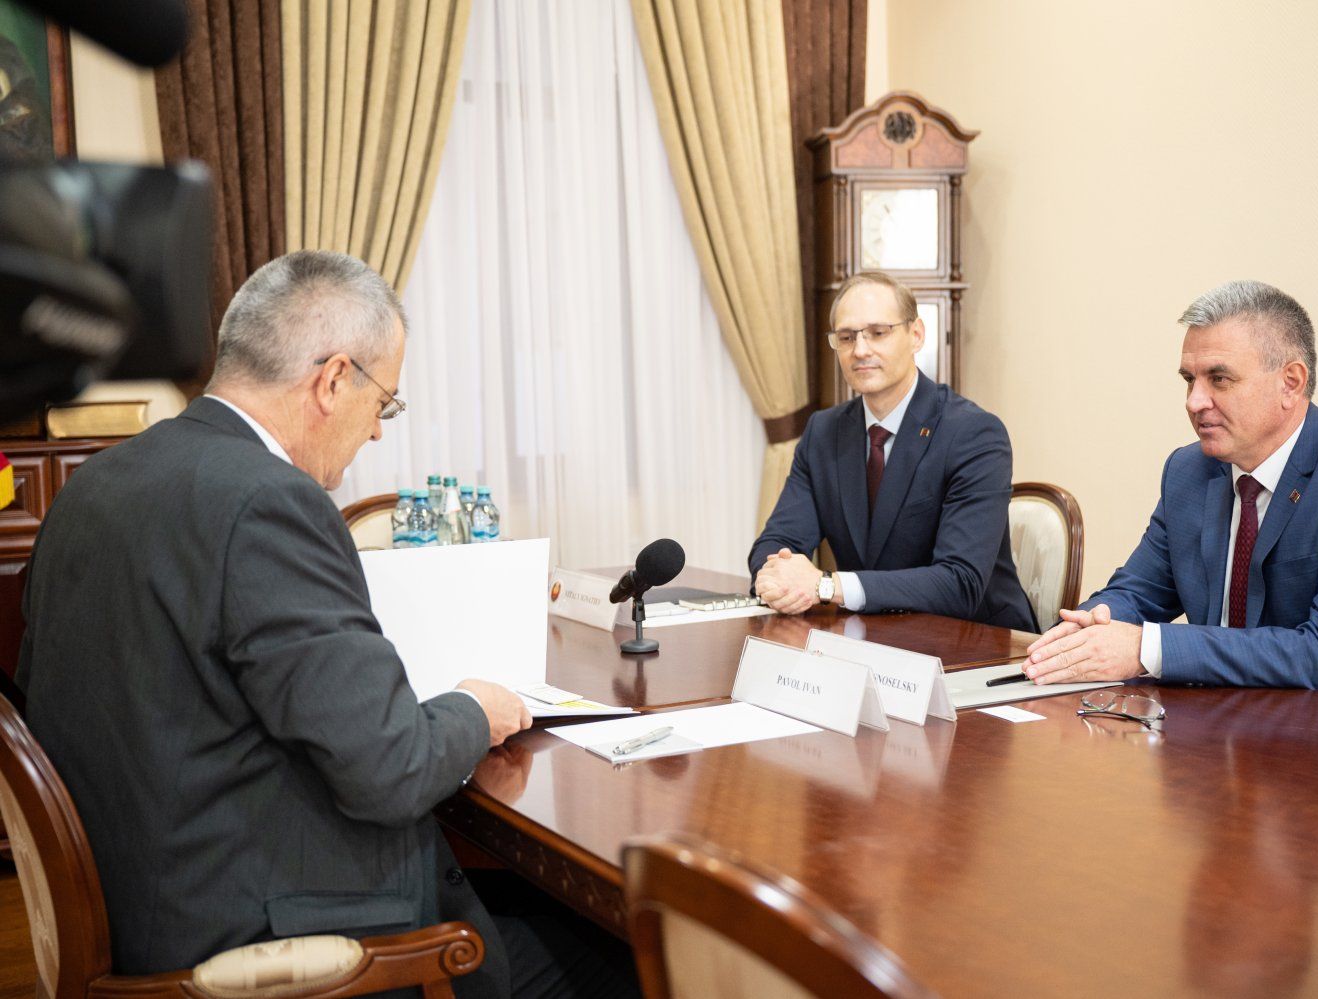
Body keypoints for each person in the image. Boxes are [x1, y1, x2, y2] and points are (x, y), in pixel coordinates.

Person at [18, 251, 636, 995]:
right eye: (385, 404)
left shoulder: (94, 485)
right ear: (335, 379)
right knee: (622, 950)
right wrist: (476, 707)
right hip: (256, 940)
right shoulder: (268, 502)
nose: (376, 433)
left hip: (147, 900)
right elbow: (393, 771)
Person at [1024, 279, 1318, 716]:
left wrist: (1145, 648)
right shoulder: (1189, 471)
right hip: (1238, 724)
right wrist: (1089, 630)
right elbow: (1138, 592)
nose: (1195, 402)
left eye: (1219, 379)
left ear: (1291, 383)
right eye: (1189, 380)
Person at [750, 271, 1037, 631]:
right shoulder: (824, 432)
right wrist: (776, 578)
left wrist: (826, 586)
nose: (860, 350)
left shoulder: (973, 434)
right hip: (871, 637)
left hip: (977, 642)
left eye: (878, 332)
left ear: (916, 335)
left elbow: (960, 582)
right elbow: (776, 542)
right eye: (846, 337)